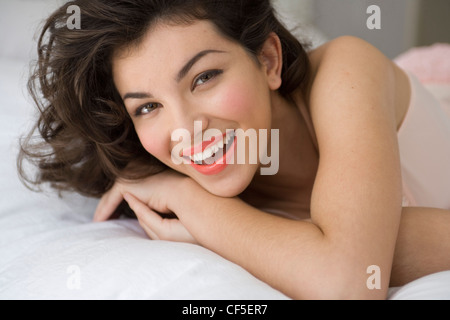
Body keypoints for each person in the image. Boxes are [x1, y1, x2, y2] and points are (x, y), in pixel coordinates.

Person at [18, 0, 450, 300]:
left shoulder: (346, 71)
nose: (186, 129)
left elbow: (347, 283)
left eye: (204, 78)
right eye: (149, 107)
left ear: (268, 60)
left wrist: (195, 206)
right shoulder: (191, 172)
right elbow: (347, 265)